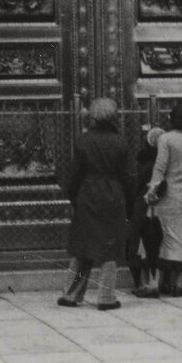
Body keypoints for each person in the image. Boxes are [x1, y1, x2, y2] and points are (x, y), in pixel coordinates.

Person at [58, 97, 135, 310]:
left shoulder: (82, 140)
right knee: (109, 248)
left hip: (88, 192)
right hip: (113, 193)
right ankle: (106, 297)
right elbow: (128, 176)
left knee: (83, 246)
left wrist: (73, 196)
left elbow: (74, 174)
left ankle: (71, 294)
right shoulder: (120, 142)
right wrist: (129, 198)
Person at [146, 102, 182, 296]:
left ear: (171, 119)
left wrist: (152, 191)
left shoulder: (165, 139)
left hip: (168, 194)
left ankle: (157, 283)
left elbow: (160, 167)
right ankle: (178, 284)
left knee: (164, 238)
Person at [129, 125, 165, 298]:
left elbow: (136, 186)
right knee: (156, 245)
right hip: (161, 207)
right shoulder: (163, 162)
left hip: (143, 207)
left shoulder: (143, 163)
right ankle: (156, 281)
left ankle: (144, 283)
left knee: (141, 245)